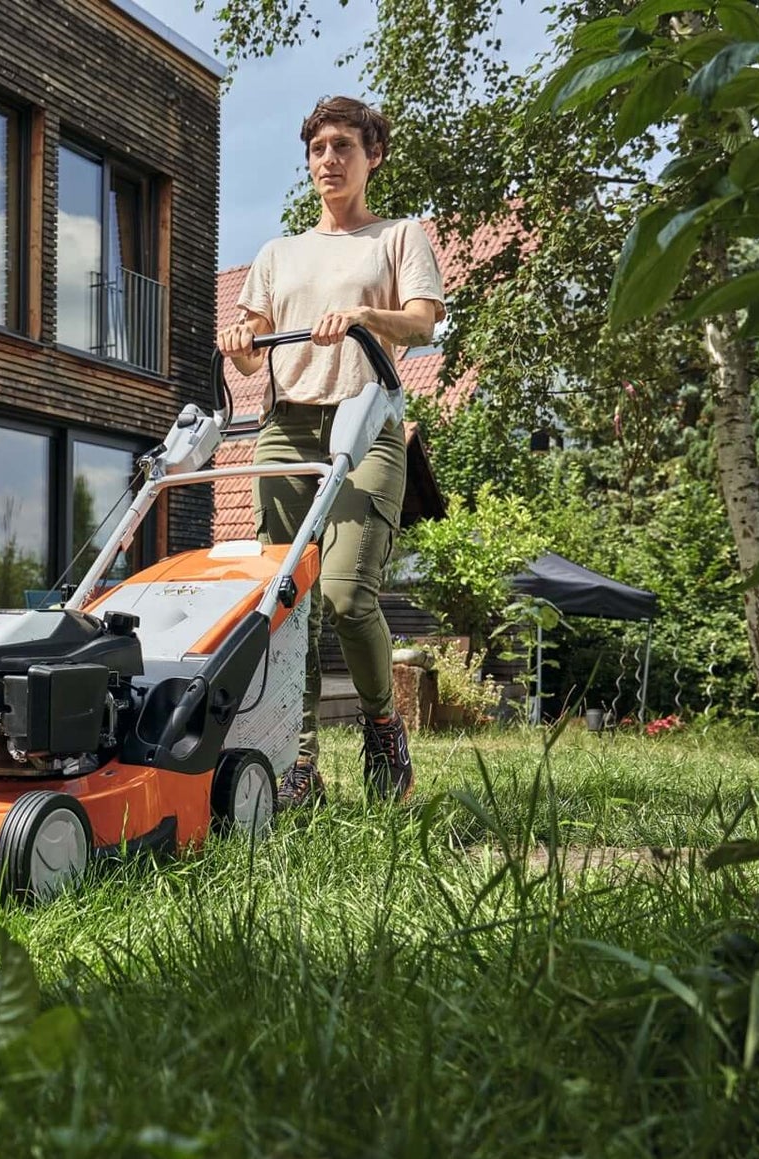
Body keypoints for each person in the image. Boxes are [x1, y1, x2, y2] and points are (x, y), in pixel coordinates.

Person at [217, 95, 446, 808]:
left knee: (347, 595)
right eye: (318, 149)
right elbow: (254, 361)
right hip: (285, 427)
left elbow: (423, 323)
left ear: (371, 156)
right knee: (287, 603)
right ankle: (299, 765)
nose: (329, 160)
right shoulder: (278, 254)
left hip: (365, 422)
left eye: (343, 146)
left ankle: (383, 730)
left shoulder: (396, 237)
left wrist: (363, 315)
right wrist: (240, 343)